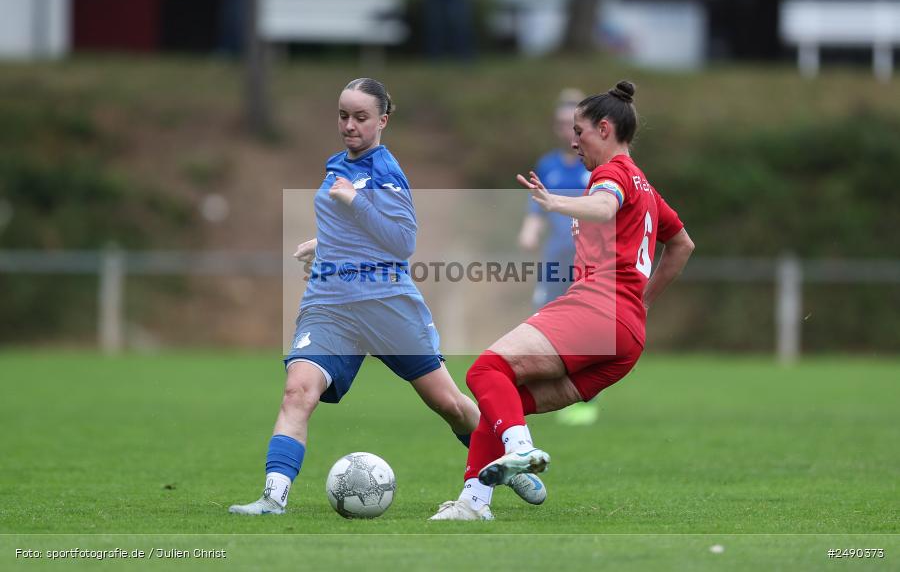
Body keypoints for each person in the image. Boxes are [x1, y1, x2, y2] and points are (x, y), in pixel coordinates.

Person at [429, 81, 695, 520]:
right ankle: (473, 504)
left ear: (605, 129)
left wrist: (556, 203)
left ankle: (521, 450)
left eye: (580, 130)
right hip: (626, 336)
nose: (573, 140)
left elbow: (605, 207)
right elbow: (682, 244)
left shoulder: (609, 175)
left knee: (485, 370)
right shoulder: (645, 187)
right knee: (503, 401)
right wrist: (642, 303)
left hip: (596, 308)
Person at [228, 78, 483, 515]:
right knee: (297, 392)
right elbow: (353, 230)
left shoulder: (386, 172)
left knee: (448, 403)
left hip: (385, 304)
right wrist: (322, 244)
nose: (349, 125)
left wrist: (354, 203)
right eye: (344, 115)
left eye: (361, 117)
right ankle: (273, 498)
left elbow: (403, 242)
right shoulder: (336, 165)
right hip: (329, 304)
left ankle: (507, 457)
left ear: (382, 120)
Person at [517, 88, 600, 427]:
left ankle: (584, 398)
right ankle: (547, 392)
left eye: (574, 124)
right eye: (562, 123)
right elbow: (536, 206)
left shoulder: (596, 166)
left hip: (589, 262)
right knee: (545, 323)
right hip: (555, 259)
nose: (568, 130)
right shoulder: (548, 165)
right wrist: (530, 229)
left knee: (588, 329)